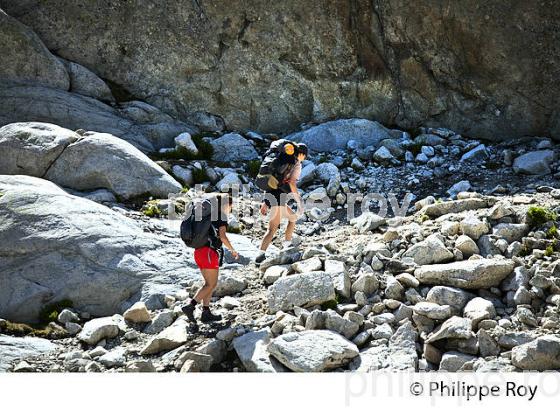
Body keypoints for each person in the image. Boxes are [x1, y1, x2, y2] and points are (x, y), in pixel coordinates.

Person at [182, 193, 239, 323]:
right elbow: (223, 237)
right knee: (211, 284)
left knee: (208, 284)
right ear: (226, 204)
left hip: (199, 252)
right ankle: (191, 306)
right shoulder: (221, 217)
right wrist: (233, 250)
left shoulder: (208, 217)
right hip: (209, 253)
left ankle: (206, 312)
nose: (231, 209)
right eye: (231, 206)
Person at [256, 143, 308, 263]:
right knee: (272, 229)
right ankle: (260, 256)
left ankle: (286, 246)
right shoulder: (295, 164)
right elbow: (292, 183)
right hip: (278, 199)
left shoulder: (282, 162)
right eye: (305, 156)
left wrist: (266, 201)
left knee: (293, 218)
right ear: (302, 154)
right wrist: (299, 201)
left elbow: (271, 182)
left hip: (275, 197)